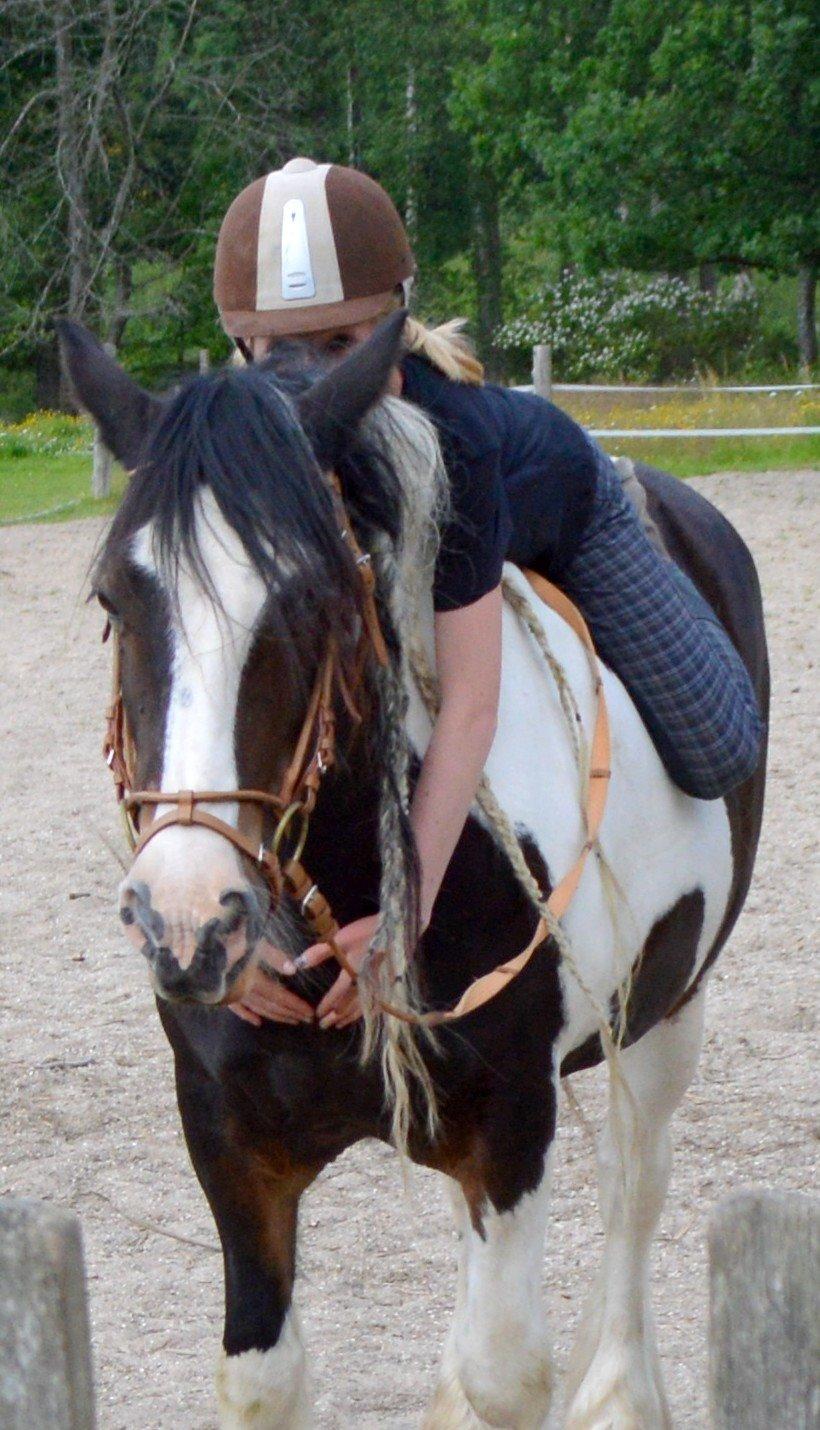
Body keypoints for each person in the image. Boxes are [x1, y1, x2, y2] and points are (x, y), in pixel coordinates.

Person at [212, 157, 764, 1030]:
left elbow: (470, 705)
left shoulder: (455, 445)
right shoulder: (239, 453)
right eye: (279, 351)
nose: (309, 383)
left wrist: (404, 918)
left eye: (341, 347)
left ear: (397, 324)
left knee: (718, 744)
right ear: (240, 347)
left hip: (563, 509)